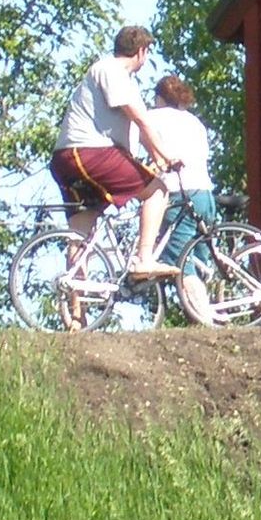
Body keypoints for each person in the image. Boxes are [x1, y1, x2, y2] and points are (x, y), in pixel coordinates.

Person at [51, 25, 172, 276]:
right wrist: (168, 156)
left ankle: (75, 311)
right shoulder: (112, 70)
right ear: (142, 52)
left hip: (67, 158)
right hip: (89, 152)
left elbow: (141, 132)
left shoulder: (112, 75)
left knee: (80, 236)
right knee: (157, 191)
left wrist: (159, 158)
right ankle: (144, 260)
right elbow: (142, 121)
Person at [138, 75, 225, 325]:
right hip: (205, 194)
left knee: (179, 262)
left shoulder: (153, 117)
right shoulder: (195, 122)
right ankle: (203, 315)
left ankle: (204, 320)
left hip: (179, 194)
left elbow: (137, 148)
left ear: (158, 98)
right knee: (198, 260)